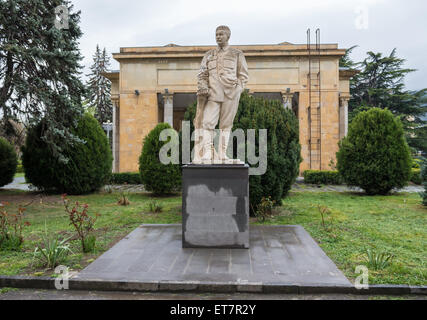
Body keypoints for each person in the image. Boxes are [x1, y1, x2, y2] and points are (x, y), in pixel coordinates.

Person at [193, 25, 249, 164]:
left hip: (231, 94)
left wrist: (239, 89)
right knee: (207, 123)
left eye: (221, 34)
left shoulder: (237, 54)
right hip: (213, 94)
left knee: (226, 125)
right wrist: (203, 87)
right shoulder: (208, 55)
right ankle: (207, 153)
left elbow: (243, 75)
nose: (218, 36)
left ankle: (223, 154)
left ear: (228, 36)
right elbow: (202, 74)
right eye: (216, 34)